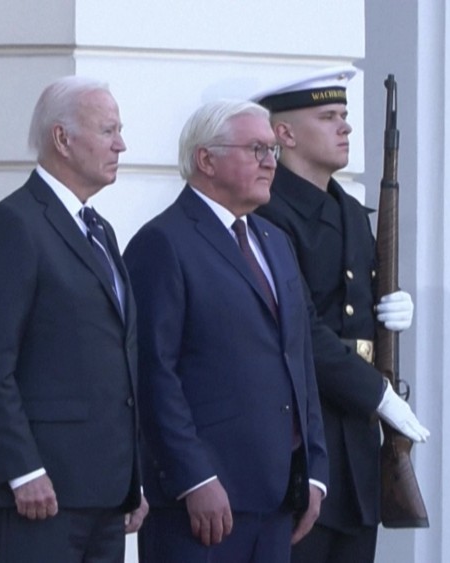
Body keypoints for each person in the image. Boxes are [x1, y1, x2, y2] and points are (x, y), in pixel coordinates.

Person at [123, 99, 329, 563]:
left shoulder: (274, 242)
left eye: (273, 150)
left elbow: (298, 361)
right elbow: (154, 374)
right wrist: (193, 477)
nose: (270, 162)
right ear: (206, 159)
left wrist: (315, 469)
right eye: (256, 149)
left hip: (279, 500)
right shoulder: (164, 242)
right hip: (201, 505)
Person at [0, 76, 147, 563]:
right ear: (62, 139)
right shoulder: (14, 225)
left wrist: (133, 478)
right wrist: (23, 470)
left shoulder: (99, 230)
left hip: (106, 492)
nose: (121, 145)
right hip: (41, 492)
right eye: (108, 130)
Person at [251, 66, 430, 563]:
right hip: (302, 434)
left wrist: (388, 313)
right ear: (285, 133)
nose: (345, 126)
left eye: (344, 115)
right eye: (328, 116)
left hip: (355, 441)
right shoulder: (269, 214)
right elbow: (301, 329)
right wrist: (378, 394)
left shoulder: (349, 212)